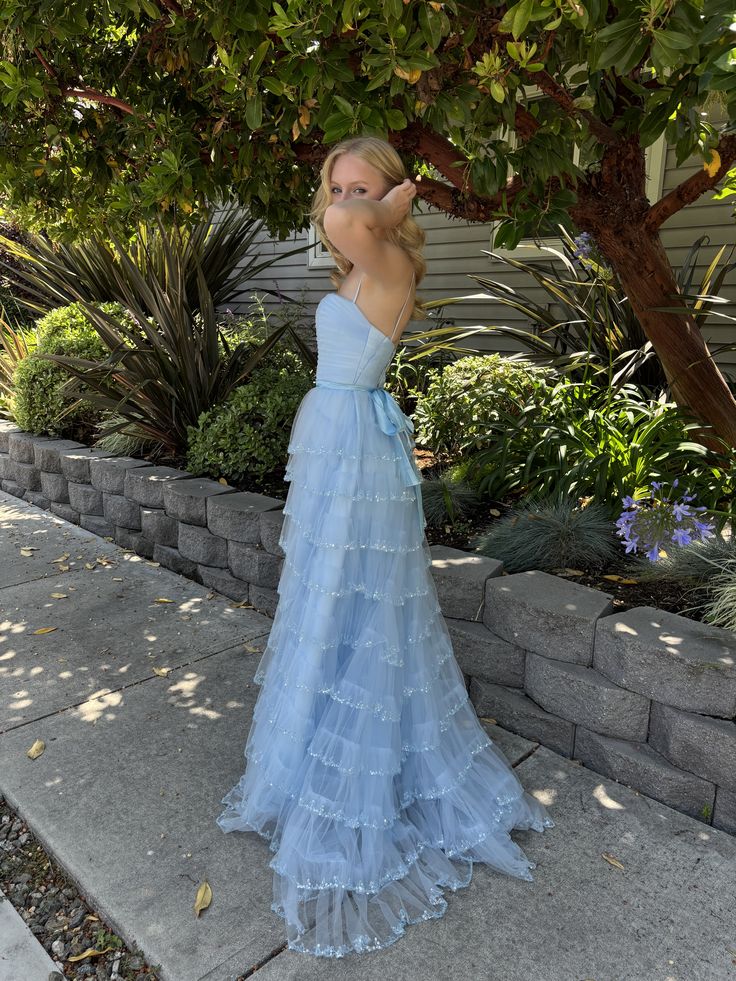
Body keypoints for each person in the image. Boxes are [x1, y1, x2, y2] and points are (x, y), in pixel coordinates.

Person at [216, 134, 555, 958]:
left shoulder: (387, 260)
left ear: (391, 198)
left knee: (356, 598)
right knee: (328, 591)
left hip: (355, 449)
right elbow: (344, 228)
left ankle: (359, 765)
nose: (340, 199)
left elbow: (347, 225)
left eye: (358, 185)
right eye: (334, 185)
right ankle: (316, 730)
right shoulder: (363, 256)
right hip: (341, 436)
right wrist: (376, 201)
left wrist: (387, 202)